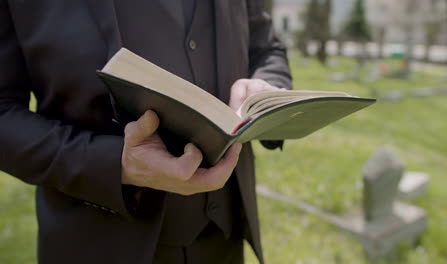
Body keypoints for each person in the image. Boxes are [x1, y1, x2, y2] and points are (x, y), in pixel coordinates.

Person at [0, 0, 292, 263]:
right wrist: (114, 165)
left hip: (224, 239)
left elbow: (266, 48)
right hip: (97, 243)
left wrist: (265, 90)